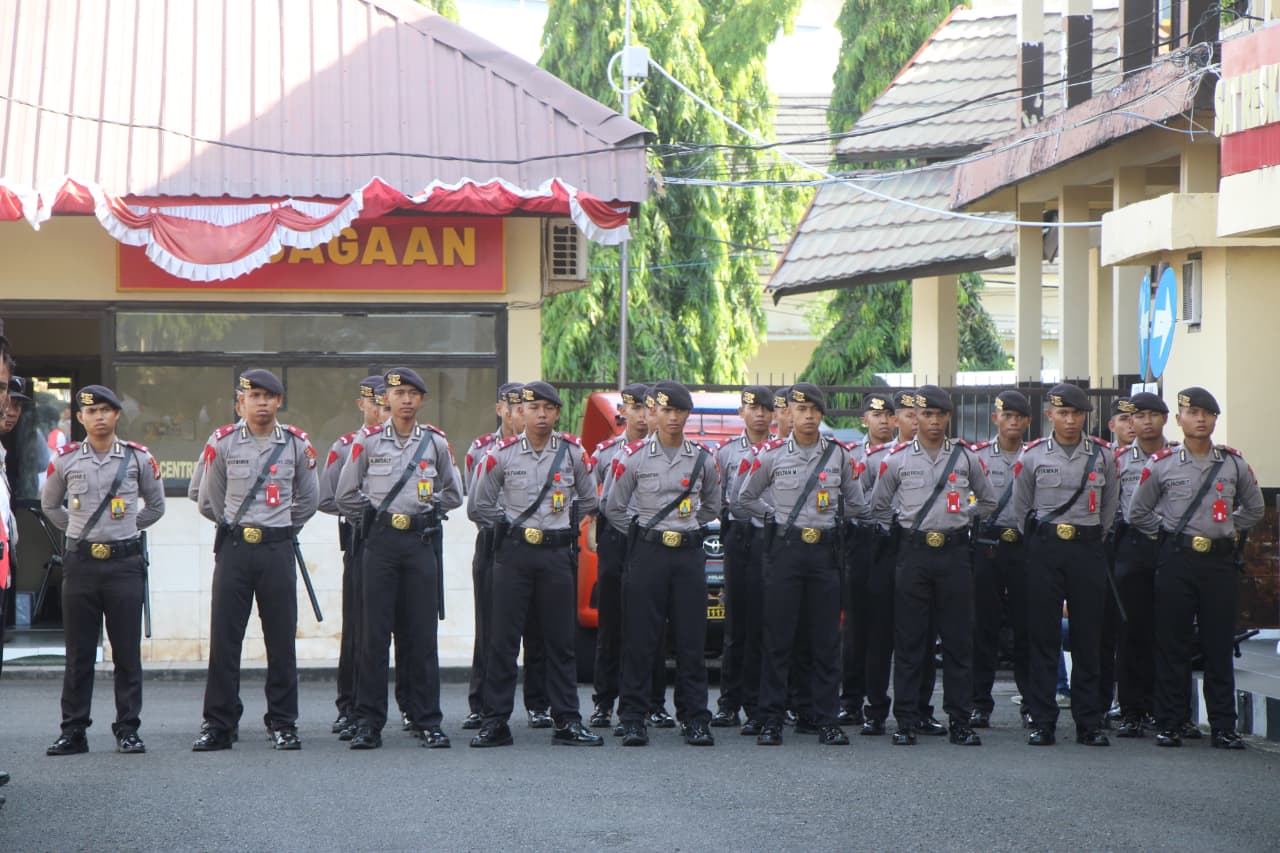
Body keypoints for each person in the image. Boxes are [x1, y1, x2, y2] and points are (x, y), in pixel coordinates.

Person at [1128, 387, 1264, 749]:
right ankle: (1170, 722)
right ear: (1179, 420)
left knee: (1218, 644)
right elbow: (1137, 512)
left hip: (1219, 563)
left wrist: (1228, 528)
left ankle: (1223, 726)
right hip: (1177, 560)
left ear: (1216, 419)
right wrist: (1168, 534)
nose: (1201, 419)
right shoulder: (1162, 464)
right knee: (1171, 643)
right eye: (1193, 413)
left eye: (1208, 413)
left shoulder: (1232, 463)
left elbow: (1254, 507)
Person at [469, 381, 602, 747]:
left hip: (557, 555)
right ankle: (495, 721)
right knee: (503, 641)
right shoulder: (502, 454)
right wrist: (510, 526)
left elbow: (590, 501)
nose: (541, 415)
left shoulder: (573, 453)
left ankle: (567, 721)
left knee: (561, 642)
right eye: (534, 408)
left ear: (557, 413)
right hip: (513, 555)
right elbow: (478, 506)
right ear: (520, 413)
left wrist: (561, 526)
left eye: (548, 408)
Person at [734, 383, 868, 746]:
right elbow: (744, 499)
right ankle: (771, 719)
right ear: (789, 413)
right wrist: (775, 517)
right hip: (786, 552)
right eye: (801, 409)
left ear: (822, 415)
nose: (808, 416)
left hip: (825, 554)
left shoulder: (839, 456)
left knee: (825, 640)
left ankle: (826, 719)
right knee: (778, 639)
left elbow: (856, 503)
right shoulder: (772, 455)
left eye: (814, 410)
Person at [336, 367, 462, 750]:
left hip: (419, 543)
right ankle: (368, 722)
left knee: (422, 635)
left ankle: (428, 720)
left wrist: (428, 509)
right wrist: (374, 518)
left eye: (412, 393)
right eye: (398, 393)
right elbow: (345, 494)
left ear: (421, 400)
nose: (406, 400)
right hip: (381, 543)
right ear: (385, 400)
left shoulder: (435, 443)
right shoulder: (368, 441)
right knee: (374, 636)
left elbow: (455, 493)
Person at [193, 369, 319, 752]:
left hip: (277, 550)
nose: (261, 402)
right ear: (240, 402)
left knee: (281, 639)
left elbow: (309, 499)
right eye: (254, 396)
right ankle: (219, 723)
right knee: (225, 639)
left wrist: (278, 528)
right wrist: (238, 527)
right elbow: (207, 499)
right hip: (235, 550)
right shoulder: (223, 442)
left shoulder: (297, 444)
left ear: (279, 401)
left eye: (269, 396)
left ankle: (283, 722)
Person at [41, 385, 165, 755]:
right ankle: (73, 731)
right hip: (80, 565)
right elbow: (51, 506)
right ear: (79, 417)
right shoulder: (65, 461)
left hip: (124, 564)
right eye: (91, 412)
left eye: (106, 411)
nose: (99, 417)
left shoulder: (139, 458)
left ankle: (128, 728)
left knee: (126, 652)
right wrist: (79, 532)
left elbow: (156, 507)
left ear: (116, 416)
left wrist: (125, 530)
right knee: (79, 653)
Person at [870, 385, 994, 746]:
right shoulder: (896, 460)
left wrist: (963, 516)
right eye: (927, 414)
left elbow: (987, 499)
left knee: (958, 642)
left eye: (940, 415)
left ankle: (960, 720)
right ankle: (906, 721)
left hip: (955, 554)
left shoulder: (965, 458)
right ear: (915, 418)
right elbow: (879, 507)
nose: (934, 421)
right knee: (910, 642)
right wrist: (906, 522)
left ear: (948, 418)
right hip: (914, 554)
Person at [607, 381, 720, 747]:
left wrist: (684, 530)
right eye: (666, 411)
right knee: (640, 638)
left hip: (687, 555)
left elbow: (712, 508)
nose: (673, 418)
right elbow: (614, 507)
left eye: (679, 412)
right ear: (653, 412)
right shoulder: (634, 457)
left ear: (688, 415)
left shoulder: (703, 457)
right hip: (648, 554)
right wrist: (644, 534)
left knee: (691, 639)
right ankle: (633, 717)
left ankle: (694, 718)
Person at [1011, 383, 1118, 747]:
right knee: (1043, 636)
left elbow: (1109, 509)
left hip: (1088, 549)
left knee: (1089, 636)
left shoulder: (1102, 456)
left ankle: (1089, 722)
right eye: (1064, 413)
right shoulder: (1032, 456)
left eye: (1077, 414)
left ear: (1085, 416)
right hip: (1045, 549)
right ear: (1050, 415)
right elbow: (1020, 507)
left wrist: (1090, 538)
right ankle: (1043, 720)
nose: (1071, 420)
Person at [463, 383, 553, 731]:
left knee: (539, 626)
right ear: (501, 409)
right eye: (513, 408)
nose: (520, 414)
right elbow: (478, 499)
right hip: (494, 542)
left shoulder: (550, 449)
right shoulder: (483, 449)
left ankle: (539, 703)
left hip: (537, 545)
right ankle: (482, 703)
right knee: (490, 627)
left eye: (525, 408)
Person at [586, 382, 668, 731]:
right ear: (623, 411)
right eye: (633, 408)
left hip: (653, 541)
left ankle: (655, 702)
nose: (640, 415)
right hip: (617, 539)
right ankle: (604, 701)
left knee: (654, 624)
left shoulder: (667, 451)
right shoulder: (606, 453)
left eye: (646, 408)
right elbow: (592, 500)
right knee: (612, 623)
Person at [317, 376, 386, 738]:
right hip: (361, 542)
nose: (379, 409)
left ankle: (408, 706)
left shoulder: (409, 444)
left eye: (384, 402)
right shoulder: (346, 447)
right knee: (359, 629)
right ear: (361, 405)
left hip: (403, 545)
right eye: (373, 403)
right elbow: (326, 498)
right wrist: (367, 514)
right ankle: (349, 706)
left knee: (406, 629)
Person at [710, 385, 775, 729]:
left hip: (770, 538)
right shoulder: (725, 453)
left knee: (764, 623)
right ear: (742, 413)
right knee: (735, 625)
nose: (760, 414)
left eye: (766, 408)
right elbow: (718, 499)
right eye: (753, 408)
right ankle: (728, 703)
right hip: (738, 536)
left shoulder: (782, 450)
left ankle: (757, 703)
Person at [969, 390, 1033, 728]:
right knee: (984, 628)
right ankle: (979, 703)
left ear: (1027, 422)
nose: (1012, 422)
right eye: (1006, 416)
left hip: (1025, 547)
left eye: (1018, 417)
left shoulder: (1037, 456)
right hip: (988, 545)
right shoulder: (977, 456)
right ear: (996, 419)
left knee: (1027, 628)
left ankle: (1031, 704)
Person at [1111, 392, 1173, 738]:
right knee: (1131, 632)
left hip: (1173, 549)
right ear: (1129, 423)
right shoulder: (1118, 460)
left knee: (1171, 632)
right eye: (1139, 416)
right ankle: (1132, 710)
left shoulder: (1179, 454)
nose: (1147, 422)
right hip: (1132, 547)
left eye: (1154, 414)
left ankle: (1170, 711)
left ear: (1165, 419)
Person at [839, 391, 894, 725]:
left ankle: (877, 705)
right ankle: (850, 702)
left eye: (889, 415)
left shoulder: (902, 454)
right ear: (864, 420)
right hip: (857, 542)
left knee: (883, 631)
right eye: (876, 416)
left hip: (890, 543)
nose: (883, 422)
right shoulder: (848, 455)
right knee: (855, 628)